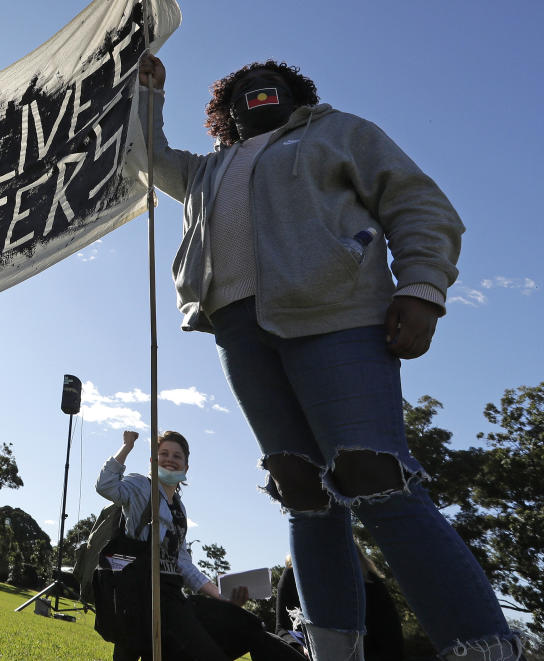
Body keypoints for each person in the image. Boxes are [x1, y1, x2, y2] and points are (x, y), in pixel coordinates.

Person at [136, 52, 524, 661]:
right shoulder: (207, 170)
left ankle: (483, 647)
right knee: (301, 490)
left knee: (375, 474)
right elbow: (146, 158)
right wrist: (148, 95)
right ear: (224, 113)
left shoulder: (341, 132)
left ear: (298, 96)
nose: (258, 90)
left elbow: (417, 201)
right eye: (242, 89)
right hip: (239, 333)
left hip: (336, 315)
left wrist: (422, 285)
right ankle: (335, 651)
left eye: (273, 84)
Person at [96, 429, 306, 661]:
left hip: (171, 598)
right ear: (153, 461)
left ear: (186, 468)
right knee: (131, 648)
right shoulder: (141, 486)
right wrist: (126, 447)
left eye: (177, 456)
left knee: (246, 625)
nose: (170, 459)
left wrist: (220, 595)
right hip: (137, 594)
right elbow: (105, 486)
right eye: (163, 453)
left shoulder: (179, 508)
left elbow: (184, 564)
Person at [276, 548, 405, 661]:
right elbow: (282, 629)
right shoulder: (292, 576)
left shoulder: (369, 582)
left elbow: (392, 644)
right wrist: (300, 647)